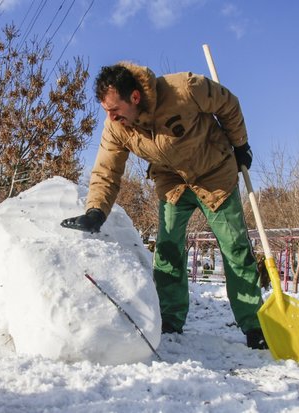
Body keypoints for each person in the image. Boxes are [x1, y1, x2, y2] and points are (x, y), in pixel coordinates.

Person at [61, 62, 267, 349]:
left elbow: (229, 105)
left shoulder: (186, 88)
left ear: (134, 97)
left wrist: (241, 145)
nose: (109, 117)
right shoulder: (116, 128)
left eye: (113, 109)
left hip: (215, 174)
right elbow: (106, 170)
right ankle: (170, 317)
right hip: (172, 182)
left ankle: (254, 324)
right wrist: (96, 210)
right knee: (168, 248)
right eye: (106, 111)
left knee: (235, 249)